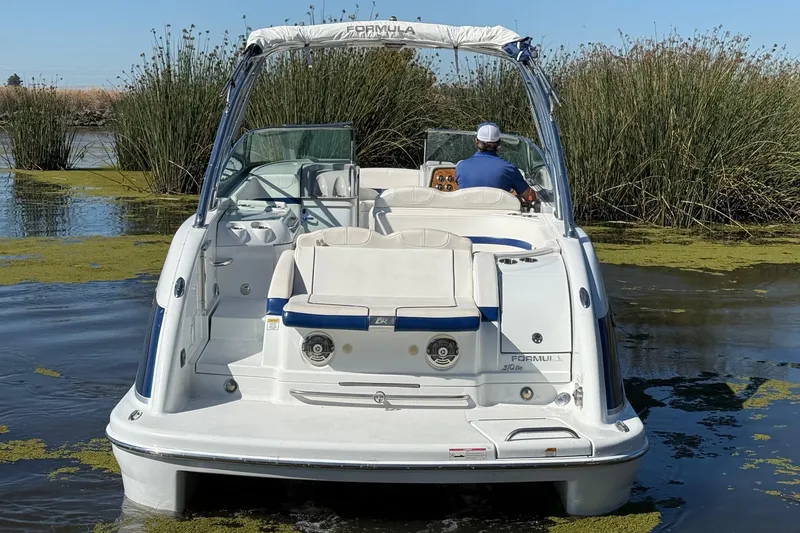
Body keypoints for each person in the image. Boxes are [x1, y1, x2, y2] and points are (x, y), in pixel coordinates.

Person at [455, 122, 536, 204]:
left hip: (470, 216)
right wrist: (515, 199)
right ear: (498, 143)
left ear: (476, 141)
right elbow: (530, 197)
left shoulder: (461, 167)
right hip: (499, 216)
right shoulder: (509, 169)